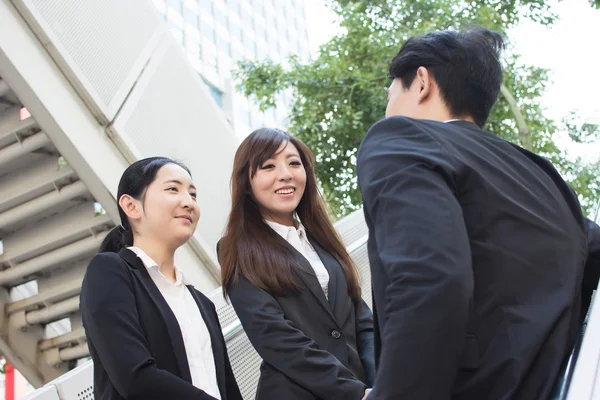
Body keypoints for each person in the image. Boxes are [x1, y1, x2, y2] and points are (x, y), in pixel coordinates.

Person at [356, 26, 600, 400]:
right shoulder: (543, 176)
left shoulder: (400, 140)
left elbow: (431, 278)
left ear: (421, 81)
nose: (389, 109)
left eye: (391, 93)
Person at [219, 128, 375, 400]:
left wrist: (379, 383)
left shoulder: (322, 239)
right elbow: (274, 337)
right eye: (268, 166)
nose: (286, 174)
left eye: (294, 163)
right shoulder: (237, 247)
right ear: (247, 181)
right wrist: (354, 393)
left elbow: (362, 321)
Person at [80, 157, 242, 400]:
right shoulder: (110, 271)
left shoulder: (201, 303)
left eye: (193, 194)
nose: (188, 202)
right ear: (131, 206)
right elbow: (136, 378)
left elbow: (227, 388)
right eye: (173, 189)